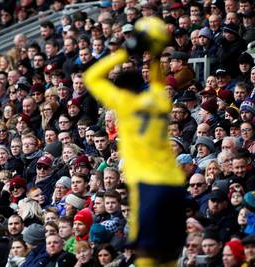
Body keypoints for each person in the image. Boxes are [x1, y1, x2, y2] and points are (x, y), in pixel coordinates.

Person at [84, 17, 186, 265]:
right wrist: (154, 54)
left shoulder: (124, 105)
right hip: (174, 181)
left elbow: (91, 77)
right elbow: (158, 82)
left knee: (146, 255)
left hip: (149, 183)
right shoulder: (160, 99)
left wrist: (125, 52)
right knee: (169, 253)